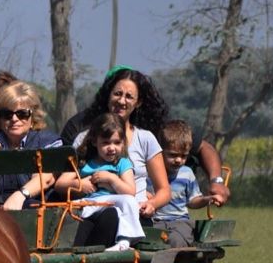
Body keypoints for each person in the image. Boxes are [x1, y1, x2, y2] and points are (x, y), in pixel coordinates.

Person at [61, 65, 231, 206]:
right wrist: (78, 184)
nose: (122, 101)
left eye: (129, 96)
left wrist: (216, 180)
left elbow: (165, 188)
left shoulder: (151, 133)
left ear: (138, 102)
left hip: (135, 213)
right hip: (91, 211)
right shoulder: (82, 132)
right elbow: (61, 178)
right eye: (117, 94)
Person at [56, 113, 144, 251]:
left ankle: (124, 241)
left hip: (111, 203)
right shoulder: (84, 161)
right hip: (88, 203)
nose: (111, 148)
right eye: (106, 143)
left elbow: (130, 192)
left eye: (117, 142)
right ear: (94, 141)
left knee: (128, 202)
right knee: (66, 210)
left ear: (123, 143)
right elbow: (60, 184)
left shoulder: (122, 163)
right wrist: (80, 184)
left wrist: (112, 179)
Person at [0, 81, 63, 209]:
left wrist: (20, 196)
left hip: (34, 210)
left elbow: (46, 178)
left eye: (22, 114)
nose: (14, 119)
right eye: (7, 114)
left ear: (33, 115)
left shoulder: (48, 141)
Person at [149, 120, 219, 247]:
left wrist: (206, 199)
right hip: (154, 222)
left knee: (176, 240)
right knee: (148, 241)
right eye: (173, 155)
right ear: (160, 151)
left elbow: (192, 201)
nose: (178, 160)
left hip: (180, 222)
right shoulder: (150, 173)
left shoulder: (186, 174)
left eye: (183, 156)